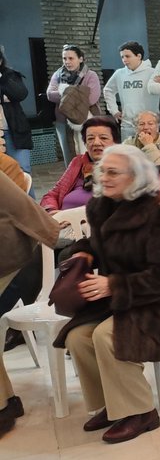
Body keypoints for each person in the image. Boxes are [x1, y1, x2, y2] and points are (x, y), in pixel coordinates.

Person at [55, 144, 160, 443]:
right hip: (127, 296)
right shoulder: (102, 205)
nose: (104, 177)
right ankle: (113, 403)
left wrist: (113, 285)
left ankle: (141, 412)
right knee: (77, 337)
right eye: (102, 171)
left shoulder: (158, 215)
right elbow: (97, 243)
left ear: (135, 177)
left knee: (106, 336)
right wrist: (84, 255)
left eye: (112, 172)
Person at [0, 172, 61, 437]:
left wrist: (52, 236)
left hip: (7, 248)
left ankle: (3, 409)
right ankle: (7, 402)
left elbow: (19, 202)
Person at [41, 116, 119, 212]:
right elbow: (53, 195)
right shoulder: (78, 162)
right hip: (64, 222)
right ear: (85, 143)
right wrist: (52, 211)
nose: (96, 143)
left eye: (103, 138)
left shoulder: (122, 168)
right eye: (90, 138)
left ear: (115, 142)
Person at [47, 44, 101, 159]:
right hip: (63, 119)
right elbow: (50, 94)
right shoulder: (58, 75)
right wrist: (79, 93)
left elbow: (92, 98)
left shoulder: (90, 75)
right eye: (64, 58)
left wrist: (65, 91)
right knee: (69, 154)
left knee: (91, 153)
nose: (67, 62)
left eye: (71, 58)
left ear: (80, 59)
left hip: (88, 119)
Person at [103, 41, 159, 141]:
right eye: (122, 57)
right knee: (128, 154)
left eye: (127, 56)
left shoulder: (153, 73)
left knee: (149, 152)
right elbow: (108, 90)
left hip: (149, 125)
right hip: (127, 124)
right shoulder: (120, 73)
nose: (124, 60)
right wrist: (114, 110)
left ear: (138, 56)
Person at [0, 49, 33, 178]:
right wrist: (5, 98)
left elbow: (20, 94)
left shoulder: (11, 75)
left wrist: (2, 78)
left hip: (14, 131)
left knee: (22, 171)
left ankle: (27, 199)